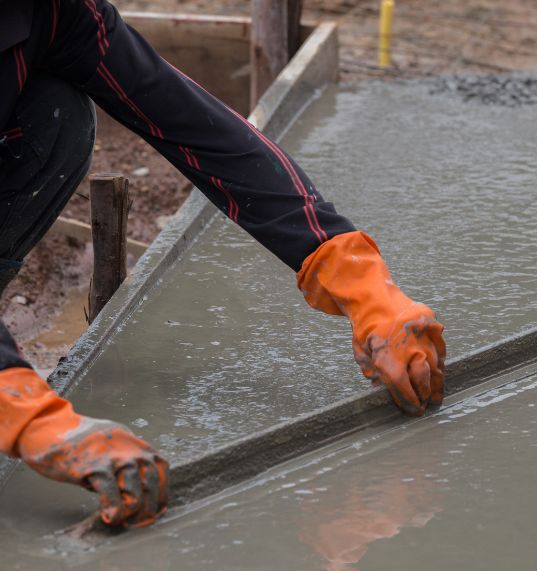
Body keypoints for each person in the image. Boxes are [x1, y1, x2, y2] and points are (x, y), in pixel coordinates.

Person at [0, 0, 446, 528]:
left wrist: (351, 270)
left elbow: (189, 123)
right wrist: (28, 413)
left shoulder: (48, 10)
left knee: (58, 116)